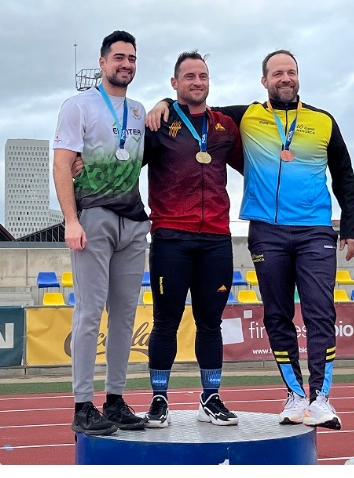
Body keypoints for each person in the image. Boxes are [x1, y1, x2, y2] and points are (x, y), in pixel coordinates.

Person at [147, 50, 354, 430]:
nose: (285, 77)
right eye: (277, 72)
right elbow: (191, 108)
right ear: (264, 80)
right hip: (260, 230)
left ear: (298, 76)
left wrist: (352, 225)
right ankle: (294, 395)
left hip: (312, 229)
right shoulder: (243, 116)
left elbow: (343, 172)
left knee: (319, 313)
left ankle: (320, 398)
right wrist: (163, 103)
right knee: (275, 315)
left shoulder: (321, 120)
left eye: (291, 71)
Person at [139, 51, 243, 428]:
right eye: (189, 77)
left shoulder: (224, 127)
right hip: (170, 237)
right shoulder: (159, 124)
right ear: (174, 83)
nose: (197, 82)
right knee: (165, 322)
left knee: (210, 322)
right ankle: (158, 399)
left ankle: (211, 397)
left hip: (216, 238)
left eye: (203, 76)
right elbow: (128, 166)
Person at [52, 30, 149, 436]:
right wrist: (70, 220)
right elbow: (61, 165)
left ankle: (114, 399)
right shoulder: (79, 106)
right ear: (103, 61)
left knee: (125, 318)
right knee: (89, 313)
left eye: (131, 59)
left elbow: (137, 161)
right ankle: (82, 406)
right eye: (118, 58)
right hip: (93, 218)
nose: (125, 64)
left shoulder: (142, 111)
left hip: (134, 223)